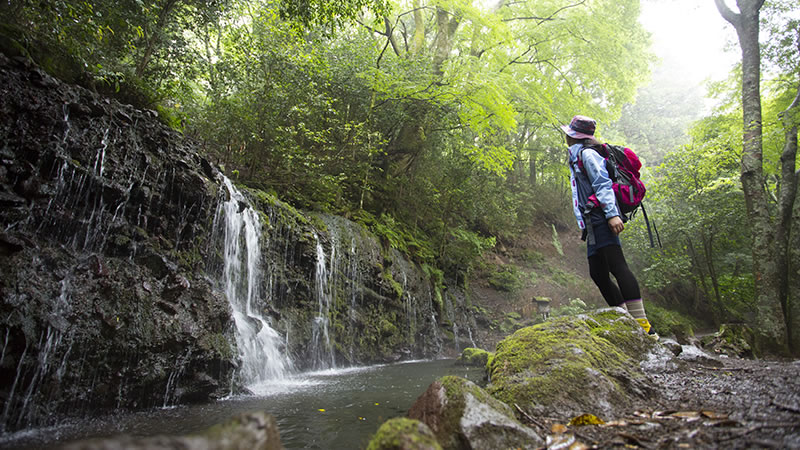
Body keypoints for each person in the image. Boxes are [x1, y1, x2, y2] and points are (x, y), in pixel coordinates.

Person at [561, 115, 653, 334]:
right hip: (593, 220)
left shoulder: (588, 154)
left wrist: (612, 214)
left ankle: (643, 328)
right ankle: (626, 322)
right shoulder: (578, 156)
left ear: (573, 136)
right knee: (598, 273)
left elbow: (602, 184)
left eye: (568, 133)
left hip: (601, 215)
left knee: (617, 266)